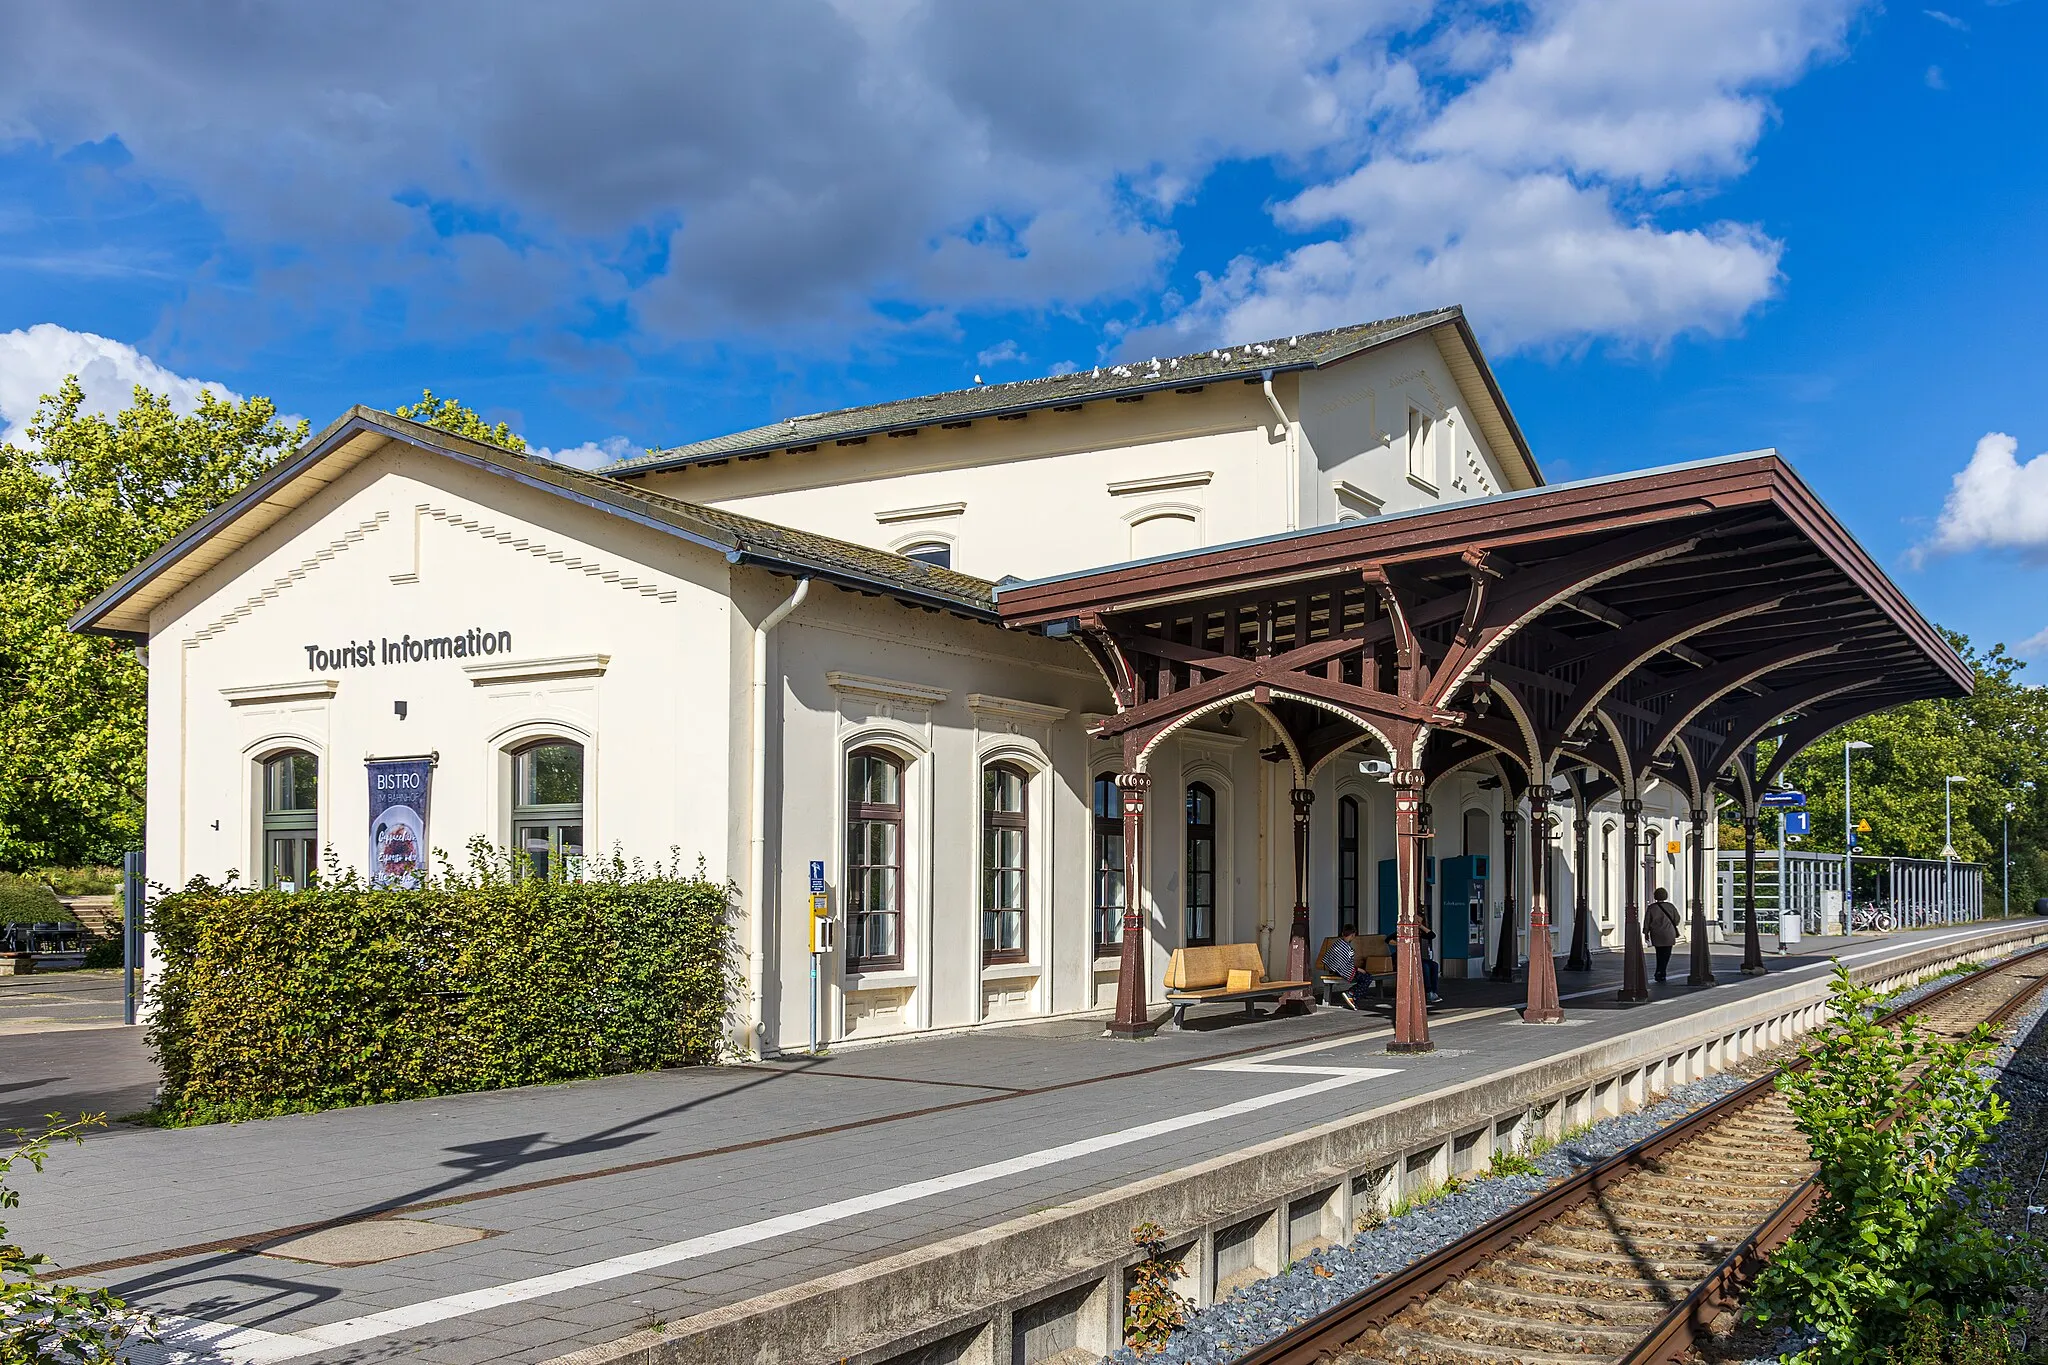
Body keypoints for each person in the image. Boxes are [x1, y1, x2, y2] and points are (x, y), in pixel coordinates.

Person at [1322, 933, 1375, 1011]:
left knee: (1365, 976)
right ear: (1353, 935)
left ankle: (1354, 995)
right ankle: (1352, 994)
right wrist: (1358, 969)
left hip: (1336, 970)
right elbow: (1347, 965)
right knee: (1367, 977)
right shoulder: (1345, 946)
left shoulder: (1337, 943)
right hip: (1343, 971)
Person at [1647, 886, 1682, 983]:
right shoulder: (1670, 907)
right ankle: (1662, 971)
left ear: (1655, 896)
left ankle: (1659, 971)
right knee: (1666, 954)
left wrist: (1646, 932)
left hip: (1656, 934)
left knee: (1659, 953)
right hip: (1668, 933)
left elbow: (1647, 921)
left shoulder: (1651, 908)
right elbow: (1677, 918)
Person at [1418, 921, 1443, 1004]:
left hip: (1422, 958)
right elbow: (1388, 939)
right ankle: (1428, 991)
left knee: (1434, 965)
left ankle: (1433, 991)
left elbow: (1432, 935)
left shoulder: (1422, 934)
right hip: (1412, 958)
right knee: (1425, 967)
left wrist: (1421, 926)